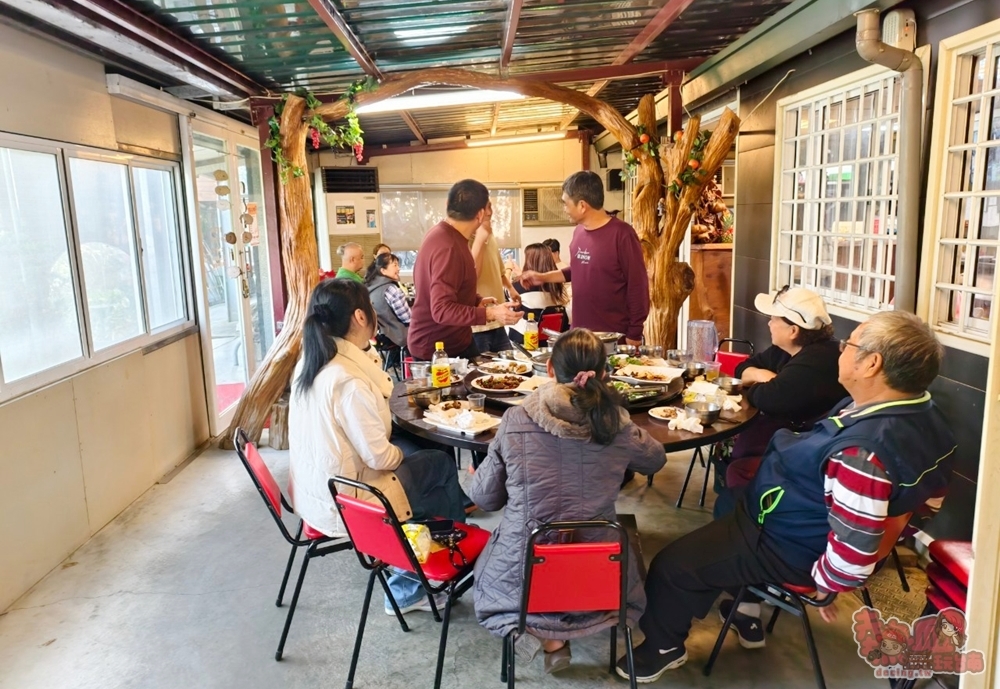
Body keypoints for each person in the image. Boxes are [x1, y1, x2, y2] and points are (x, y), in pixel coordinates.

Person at [616, 311, 957, 683]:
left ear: (872, 364)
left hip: (784, 542)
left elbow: (857, 547)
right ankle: (744, 599)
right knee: (727, 507)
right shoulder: (924, 414)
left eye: (850, 344)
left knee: (671, 567)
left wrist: (829, 584)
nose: (841, 350)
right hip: (791, 515)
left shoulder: (863, 453)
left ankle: (663, 648)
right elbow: (926, 503)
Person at [470, 329, 666, 673]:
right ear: (603, 374)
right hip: (598, 573)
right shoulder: (617, 426)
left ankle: (549, 637)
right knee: (601, 546)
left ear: (548, 369)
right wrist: (623, 421)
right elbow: (655, 460)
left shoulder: (516, 420)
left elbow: (485, 498)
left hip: (522, 573)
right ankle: (560, 630)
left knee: (517, 548)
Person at [288, 279, 471, 615]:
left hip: (315, 489)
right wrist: (406, 455)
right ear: (361, 316)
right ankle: (414, 584)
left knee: (423, 460)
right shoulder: (348, 380)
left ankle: (417, 567)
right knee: (438, 465)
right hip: (350, 500)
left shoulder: (313, 361)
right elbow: (380, 456)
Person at [713, 285, 848, 517]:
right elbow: (742, 368)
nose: (768, 323)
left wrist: (760, 384)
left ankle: (745, 514)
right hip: (789, 433)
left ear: (793, 330)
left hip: (804, 446)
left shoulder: (818, 359)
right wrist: (763, 376)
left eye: (773, 318)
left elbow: (767, 398)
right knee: (730, 439)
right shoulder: (786, 350)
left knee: (733, 446)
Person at [520, 171, 648, 346]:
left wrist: (634, 333)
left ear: (582, 205)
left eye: (566, 204)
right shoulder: (579, 232)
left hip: (612, 337)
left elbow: (638, 286)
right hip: (579, 334)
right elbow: (578, 269)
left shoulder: (622, 235)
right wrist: (542, 277)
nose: (564, 209)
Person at [408, 179, 521, 360]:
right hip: (439, 350)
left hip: (458, 340)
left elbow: (450, 288)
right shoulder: (449, 247)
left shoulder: (443, 233)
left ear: (448, 204)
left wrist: (475, 299)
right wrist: (491, 313)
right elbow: (441, 309)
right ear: (481, 213)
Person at [470, 202, 519, 354]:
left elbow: (499, 269)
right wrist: (480, 240)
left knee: (509, 370)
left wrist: (510, 288)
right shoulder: (464, 240)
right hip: (477, 327)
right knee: (482, 372)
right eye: (487, 207)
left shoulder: (490, 237)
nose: (491, 212)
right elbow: (471, 275)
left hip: (497, 321)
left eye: (491, 207)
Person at [509, 243, 568, 346]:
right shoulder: (557, 286)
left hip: (525, 339)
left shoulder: (518, 287)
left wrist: (508, 269)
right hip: (551, 338)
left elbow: (504, 294)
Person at [365, 252, 410, 352]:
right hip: (398, 336)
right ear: (383, 271)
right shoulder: (391, 290)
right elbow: (408, 319)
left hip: (380, 335)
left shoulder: (369, 287)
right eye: (394, 265)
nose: (398, 269)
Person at [542, 237, 572, 323]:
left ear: (556, 253)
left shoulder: (563, 269)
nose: (544, 257)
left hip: (561, 307)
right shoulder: (547, 267)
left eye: (547, 254)